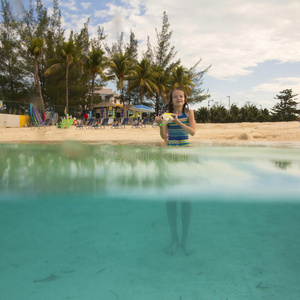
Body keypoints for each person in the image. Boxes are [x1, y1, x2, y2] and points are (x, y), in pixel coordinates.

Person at [155, 87, 196, 256]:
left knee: (186, 200)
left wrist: (178, 121)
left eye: (181, 96)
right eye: (175, 97)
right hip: (170, 156)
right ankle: (174, 240)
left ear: (185, 99)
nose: (178, 98)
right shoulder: (166, 115)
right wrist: (161, 124)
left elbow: (192, 132)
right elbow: (165, 137)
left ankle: (184, 241)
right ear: (171, 100)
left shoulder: (189, 113)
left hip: (186, 158)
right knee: (171, 200)